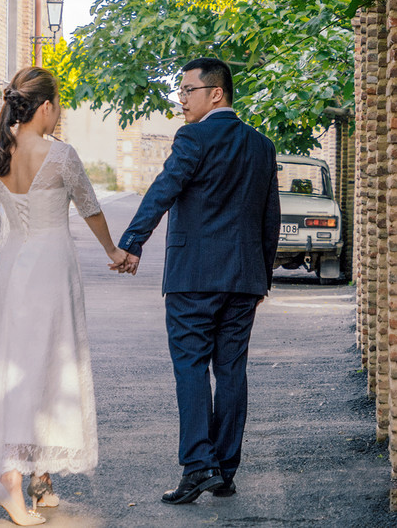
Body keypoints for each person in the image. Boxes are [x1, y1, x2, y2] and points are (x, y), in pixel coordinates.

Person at [113, 56, 280, 505]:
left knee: (190, 367)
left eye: (187, 91)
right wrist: (261, 278)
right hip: (244, 278)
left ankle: (197, 466)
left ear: (216, 93)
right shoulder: (261, 146)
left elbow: (164, 189)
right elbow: (271, 219)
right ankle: (224, 471)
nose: (180, 100)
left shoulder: (193, 137)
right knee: (231, 371)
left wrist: (132, 241)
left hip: (193, 278)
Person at [0, 66, 128, 525]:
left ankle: (39, 478)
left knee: (18, 369)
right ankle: (10, 485)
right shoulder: (60, 156)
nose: (58, 113)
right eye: (57, 105)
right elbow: (91, 209)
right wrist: (113, 251)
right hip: (51, 273)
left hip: (10, 273)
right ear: (45, 107)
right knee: (46, 369)